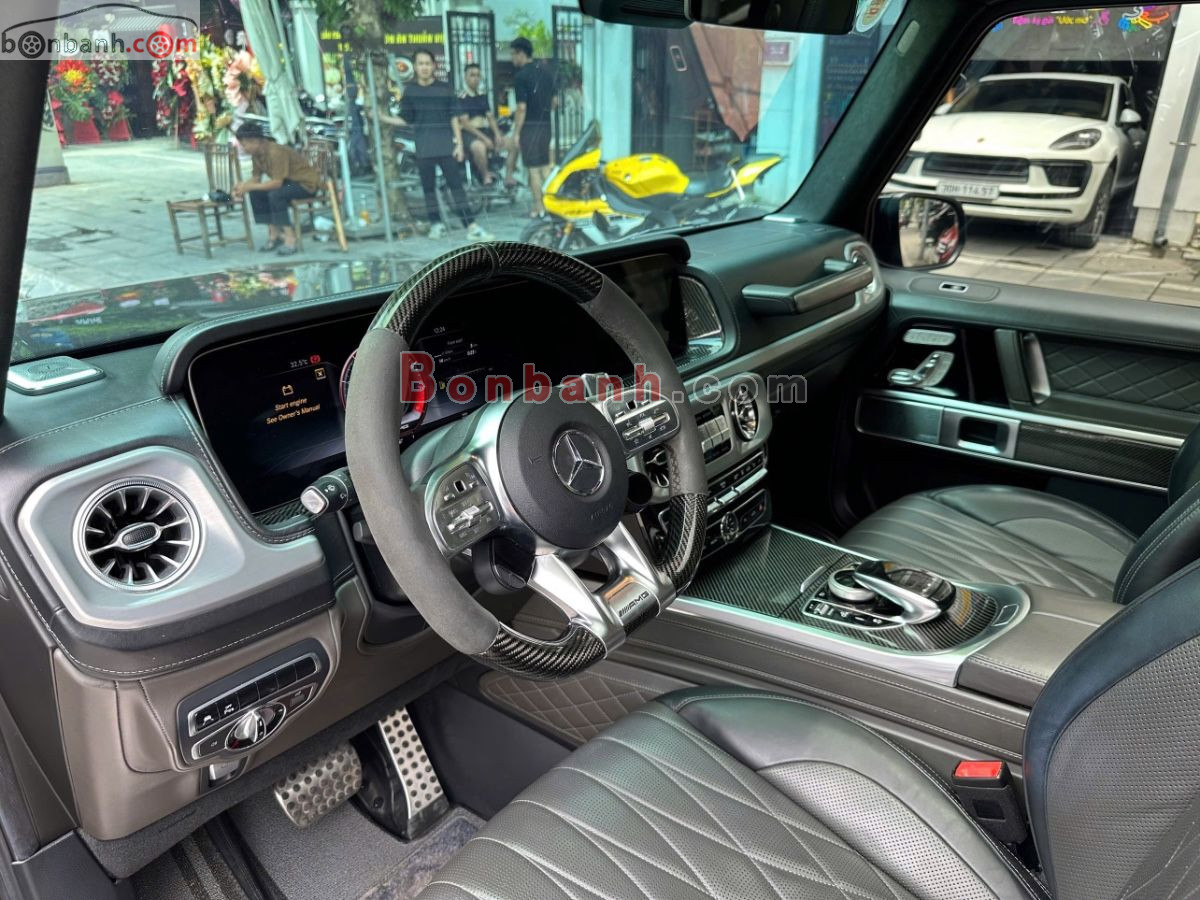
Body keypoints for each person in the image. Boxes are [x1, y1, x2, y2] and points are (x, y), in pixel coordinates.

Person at [381, 50, 493, 242]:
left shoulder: (444, 88)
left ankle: (471, 226)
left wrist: (458, 144)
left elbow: (454, 118)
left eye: (427, 63)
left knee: (456, 187)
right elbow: (405, 119)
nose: (424, 67)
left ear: (434, 66)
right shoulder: (410, 91)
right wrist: (383, 118)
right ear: (415, 67)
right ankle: (436, 224)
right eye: (420, 64)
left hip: (446, 145)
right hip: (424, 147)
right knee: (428, 189)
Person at [232, 123, 321, 256]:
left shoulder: (275, 152)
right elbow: (256, 178)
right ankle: (274, 234)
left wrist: (249, 186)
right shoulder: (256, 153)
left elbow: (277, 183)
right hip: (288, 183)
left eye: (244, 144)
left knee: (275, 195)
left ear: (255, 141)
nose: (243, 148)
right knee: (256, 193)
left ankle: (290, 238)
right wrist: (243, 187)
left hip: (305, 185)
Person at [506, 37, 556, 218]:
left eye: (513, 54)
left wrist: (517, 133)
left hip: (529, 128)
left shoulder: (521, 76)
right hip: (546, 125)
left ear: (521, 53)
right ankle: (552, 205)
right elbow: (555, 102)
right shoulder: (546, 72)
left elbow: (521, 108)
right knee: (545, 168)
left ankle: (538, 207)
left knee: (533, 169)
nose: (512, 58)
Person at [457, 63, 504, 187]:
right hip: (468, 133)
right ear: (465, 77)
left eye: (478, 75)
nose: (476, 78)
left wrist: (497, 134)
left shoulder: (482, 96)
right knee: (479, 147)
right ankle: (485, 176)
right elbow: (465, 124)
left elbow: (490, 117)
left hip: (484, 130)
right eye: (472, 75)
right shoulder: (461, 97)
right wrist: (485, 138)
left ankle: (507, 176)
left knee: (507, 142)